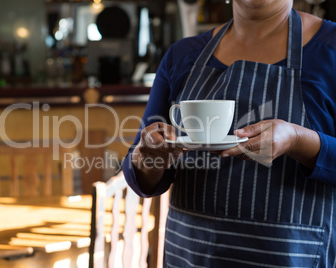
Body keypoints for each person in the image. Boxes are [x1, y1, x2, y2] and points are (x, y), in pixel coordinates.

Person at [122, 0, 336, 267]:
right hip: (190, 256)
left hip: (293, 257)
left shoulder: (331, 48)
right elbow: (140, 174)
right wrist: (149, 156)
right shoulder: (182, 55)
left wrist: (297, 140)